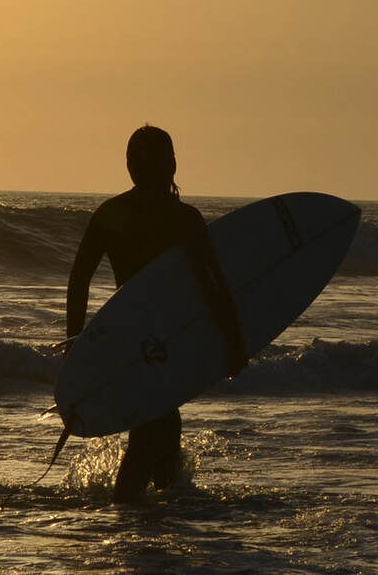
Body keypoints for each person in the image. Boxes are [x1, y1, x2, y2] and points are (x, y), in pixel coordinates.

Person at [66, 124, 249, 502]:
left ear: (131, 166)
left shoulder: (112, 213)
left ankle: (162, 510)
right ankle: (128, 511)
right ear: (172, 165)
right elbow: (214, 288)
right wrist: (233, 342)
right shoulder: (184, 219)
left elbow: (79, 280)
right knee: (153, 427)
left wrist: (76, 341)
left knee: (163, 424)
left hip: (130, 338)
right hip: (167, 340)